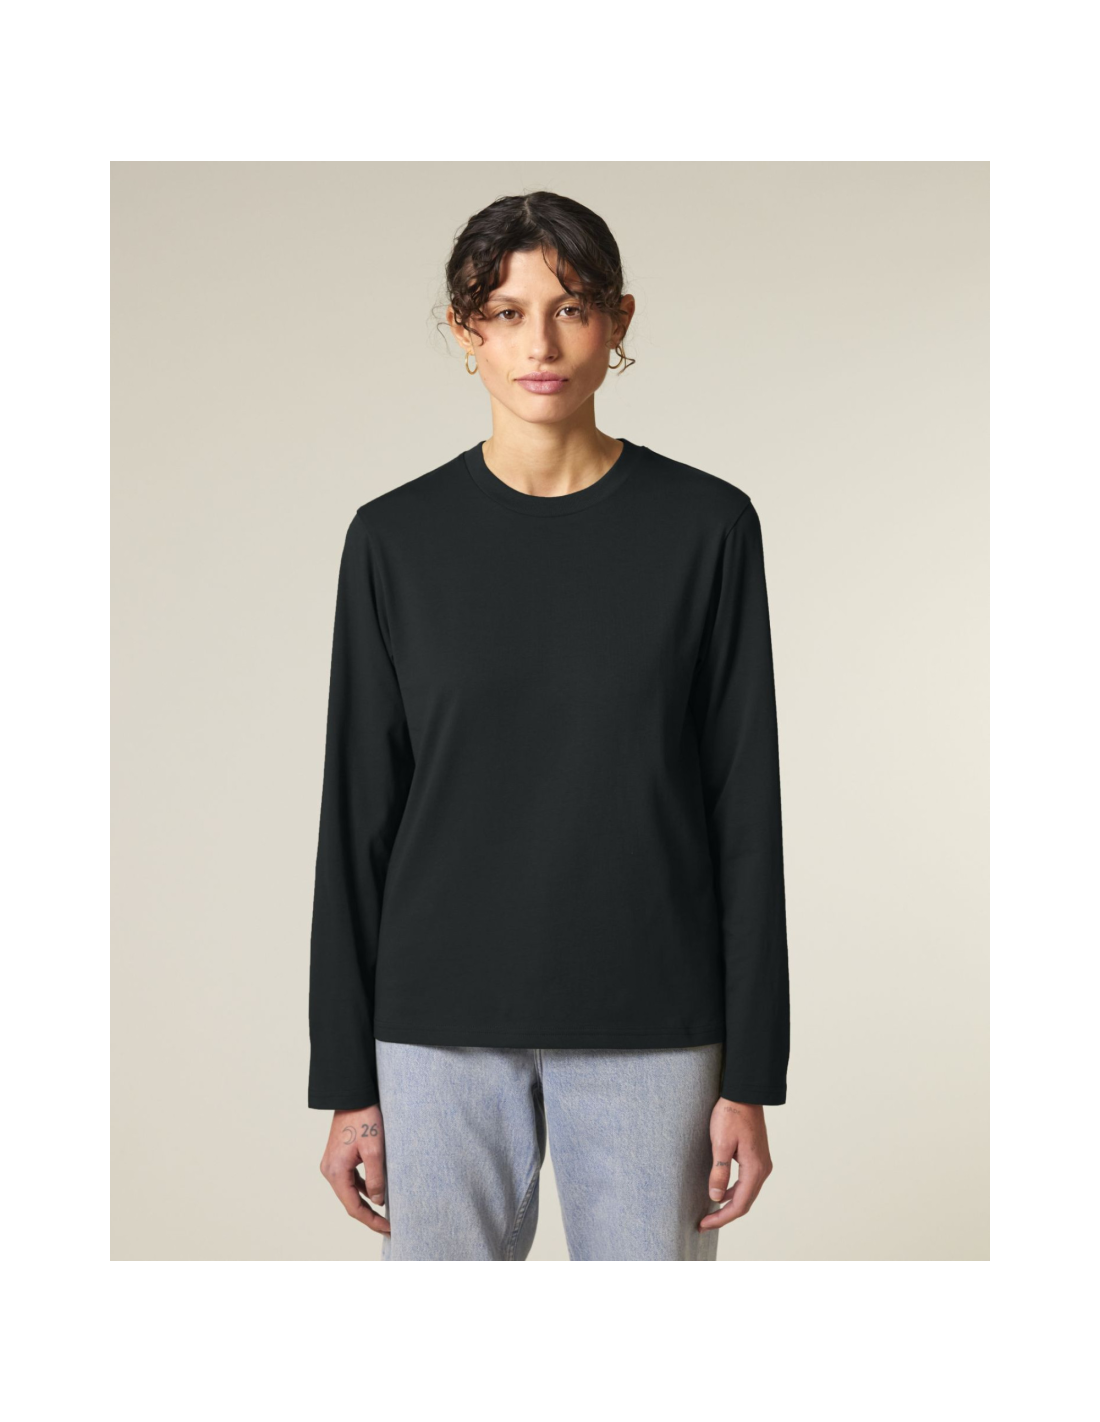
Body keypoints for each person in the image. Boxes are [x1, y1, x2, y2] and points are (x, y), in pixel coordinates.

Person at [308, 191, 790, 1261]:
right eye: (507, 312)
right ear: (464, 330)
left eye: (570, 308)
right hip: (435, 1026)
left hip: (654, 1020)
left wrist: (753, 1075)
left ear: (617, 320)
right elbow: (357, 817)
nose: (540, 344)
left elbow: (743, 809)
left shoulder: (706, 527)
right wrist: (345, 1082)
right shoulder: (394, 540)